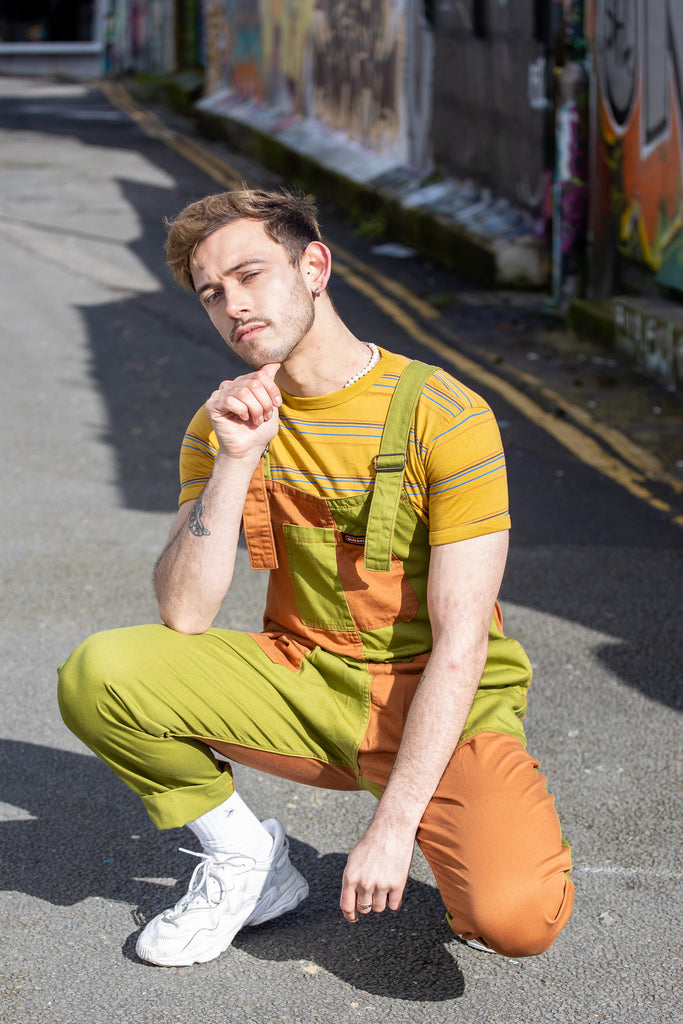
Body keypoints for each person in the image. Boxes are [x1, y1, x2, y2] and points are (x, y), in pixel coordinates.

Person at [58, 188, 574, 969]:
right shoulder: (223, 422)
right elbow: (184, 611)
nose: (233, 305)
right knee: (100, 673)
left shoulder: (444, 414)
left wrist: (393, 825)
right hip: (306, 684)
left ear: (314, 268)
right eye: (211, 293)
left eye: (249, 274)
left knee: (515, 918)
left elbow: (463, 644)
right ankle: (246, 861)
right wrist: (236, 460)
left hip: (441, 702)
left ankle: (450, 818)